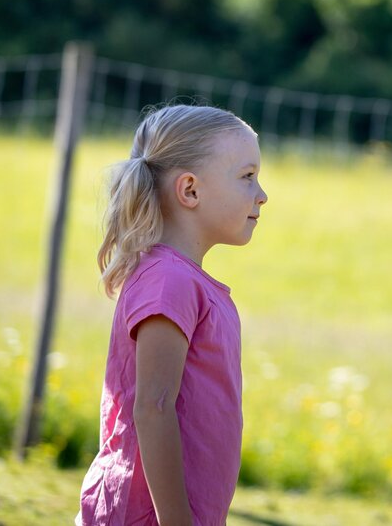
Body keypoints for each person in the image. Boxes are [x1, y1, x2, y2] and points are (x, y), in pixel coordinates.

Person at [77, 104, 268, 526]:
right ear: (190, 191)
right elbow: (153, 408)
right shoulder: (170, 282)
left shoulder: (184, 281)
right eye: (247, 176)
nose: (262, 194)